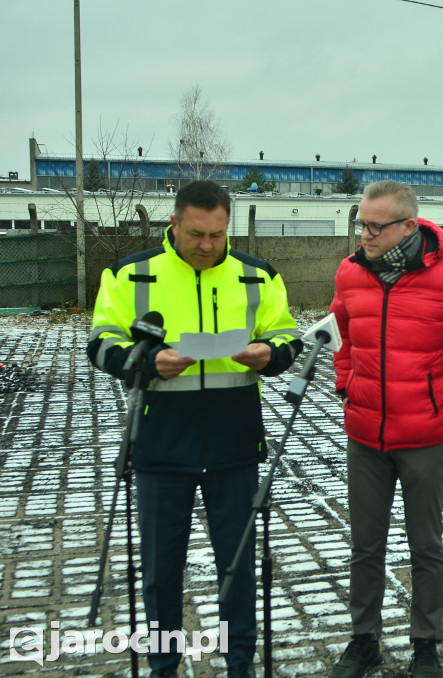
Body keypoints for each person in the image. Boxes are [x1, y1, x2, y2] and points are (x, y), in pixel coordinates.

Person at [88, 180, 302, 678]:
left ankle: (241, 665)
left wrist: (270, 355)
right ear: (174, 224)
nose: (207, 245)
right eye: (196, 234)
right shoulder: (130, 274)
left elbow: (287, 333)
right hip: (160, 444)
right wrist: (143, 361)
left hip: (235, 445)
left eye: (218, 235)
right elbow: (99, 342)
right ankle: (163, 665)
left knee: (239, 569)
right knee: (161, 573)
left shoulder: (258, 276)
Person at [327, 180, 443, 678]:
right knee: (365, 544)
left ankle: (425, 646)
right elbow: (340, 331)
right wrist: (347, 382)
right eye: (360, 222)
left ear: (408, 226)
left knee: (425, 546)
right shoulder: (350, 273)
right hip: (365, 436)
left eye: (374, 225)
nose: (363, 233)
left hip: (425, 439)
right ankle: (363, 641)